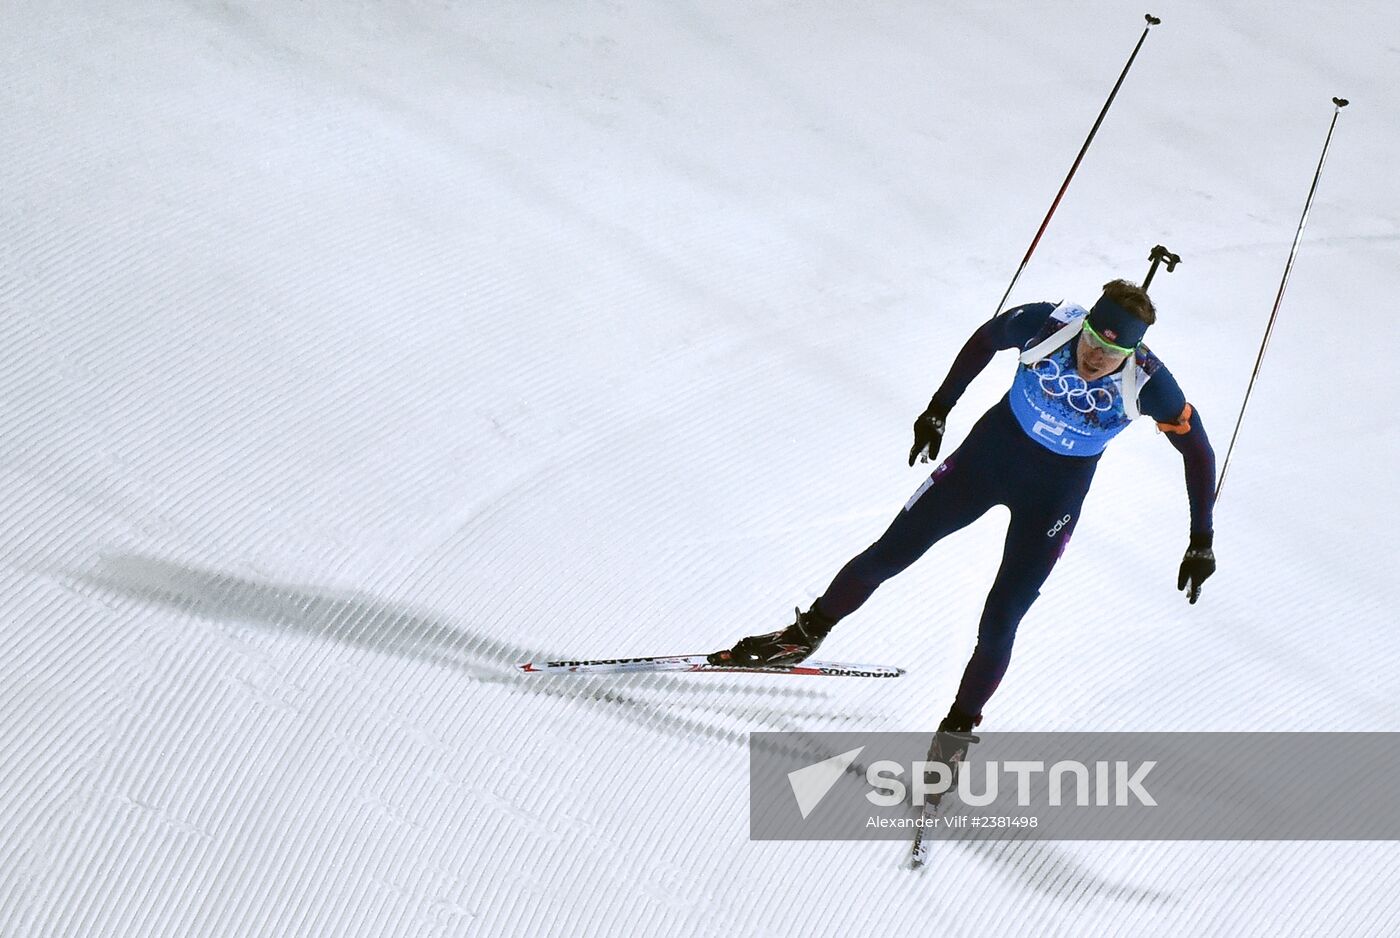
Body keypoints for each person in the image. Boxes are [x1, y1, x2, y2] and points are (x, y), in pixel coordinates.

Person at [710, 279, 1218, 738]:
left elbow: (1198, 452)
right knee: (887, 555)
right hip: (986, 460)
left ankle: (957, 731)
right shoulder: (1048, 323)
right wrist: (938, 408)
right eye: (1093, 340)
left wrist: (1201, 540)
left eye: (1112, 352)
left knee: (1001, 621)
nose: (1095, 357)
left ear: (1133, 351)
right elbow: (984, 340)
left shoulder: (1150, 383)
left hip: (1053, 499)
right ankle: (800, 638)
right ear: (1083, 325)